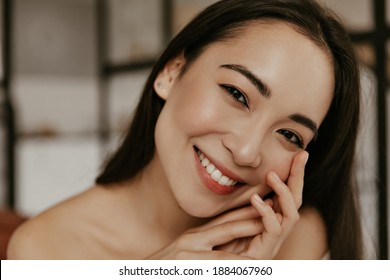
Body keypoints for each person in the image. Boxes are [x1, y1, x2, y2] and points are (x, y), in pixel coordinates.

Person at [7, 0, 363, 259]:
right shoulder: (44, 250)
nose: (246, 151)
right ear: (172, 72)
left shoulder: (296, 239)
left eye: (289, 135)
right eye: (237, 94)